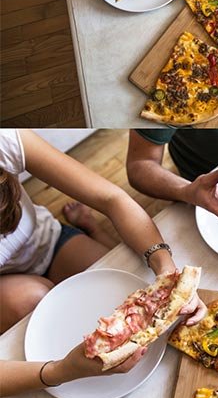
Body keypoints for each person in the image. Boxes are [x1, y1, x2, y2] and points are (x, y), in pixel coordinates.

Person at [0, 127, 203, 380]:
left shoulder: (4, 141)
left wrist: (167, 273)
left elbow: (111, 199)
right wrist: (60, 372)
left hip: (47, 240)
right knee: (34, 297)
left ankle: (91, 227)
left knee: (123, 276)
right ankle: (89, 230)